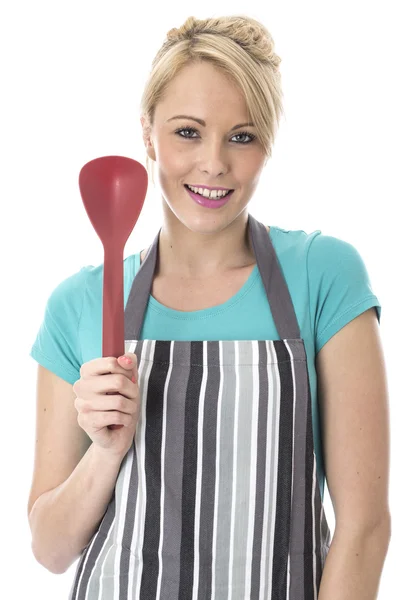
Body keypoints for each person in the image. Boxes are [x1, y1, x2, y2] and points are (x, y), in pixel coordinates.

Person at [27, 14, 391, 600]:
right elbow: (49, 548)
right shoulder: (82, 303)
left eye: (241, 136)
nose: (215, 163)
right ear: (147, 134)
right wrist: (106, 449)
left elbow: (365, 530)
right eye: (188, 132)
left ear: (267, 143)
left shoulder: (323, 276)